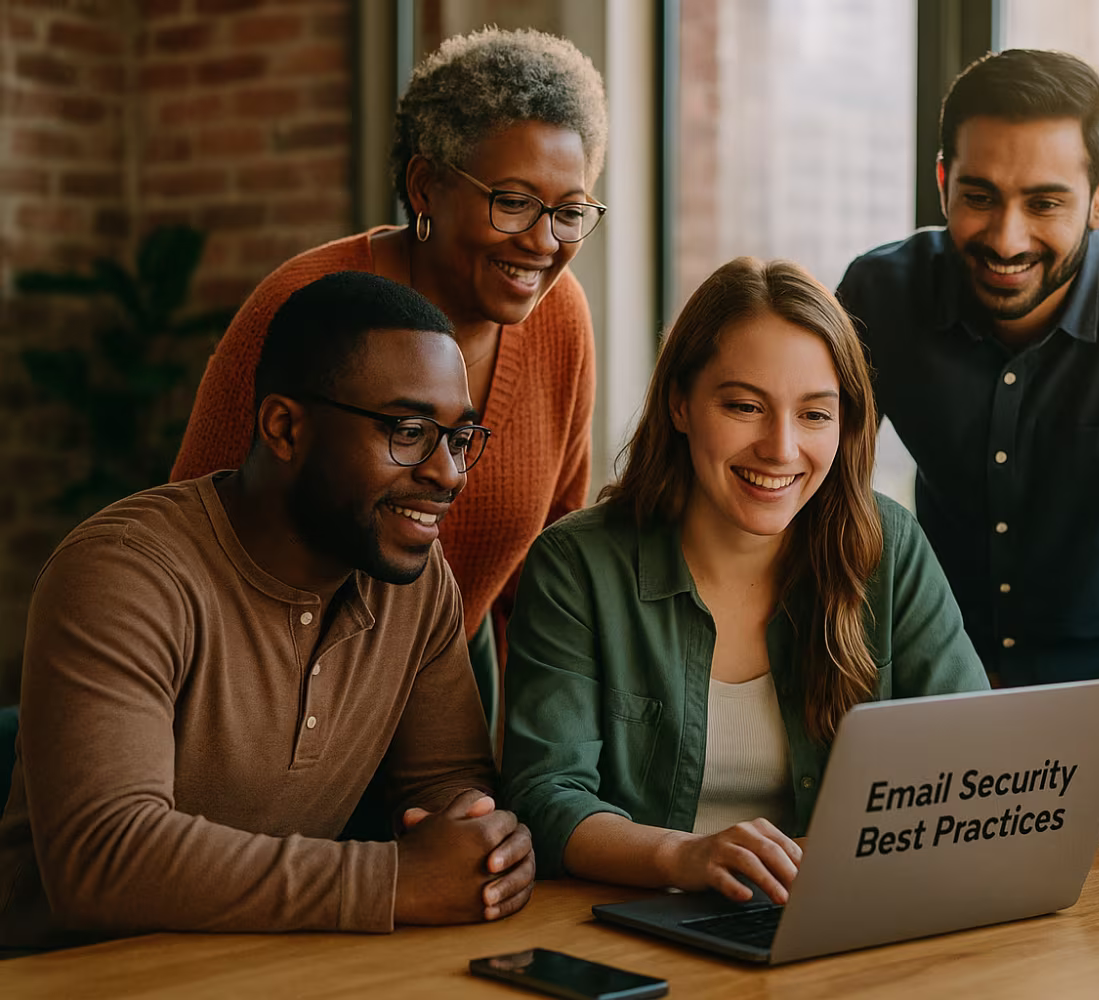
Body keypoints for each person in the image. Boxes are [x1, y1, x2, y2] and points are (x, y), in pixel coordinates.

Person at [0, 273, 534, 949]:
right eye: (408, 430)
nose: (449, 473)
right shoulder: (124, 573)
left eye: (459, 438)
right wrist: (392, 880)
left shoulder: (416, 583)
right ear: (285, 428)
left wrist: (488, 847)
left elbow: (448, 789)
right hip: (69, 975)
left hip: (266, 968)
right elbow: (103, 859)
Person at [837, 50, 1099, 866]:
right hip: (928, 699)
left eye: (1045, 203)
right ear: (942, 183)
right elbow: (815, 491)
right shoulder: (879, 295)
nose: (1005, 238)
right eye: (980, 197)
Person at [499, 258, 988, 902]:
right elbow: (544, 796)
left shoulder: (887, 547)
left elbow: (977, 767)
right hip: (636, 925)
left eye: (815, 414)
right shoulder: (576, 564)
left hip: (836, 917)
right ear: (680, 403)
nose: (781, 448)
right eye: (744, 406)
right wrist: (683, 856)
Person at [171, 27, 609, 734]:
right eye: (513, 201)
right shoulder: (309, 302)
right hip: (268, 702)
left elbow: (545, 564)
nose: (543, 241)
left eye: (569, 211)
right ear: (424, 186)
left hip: (450, 700)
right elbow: (191, 534)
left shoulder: (562, 319)